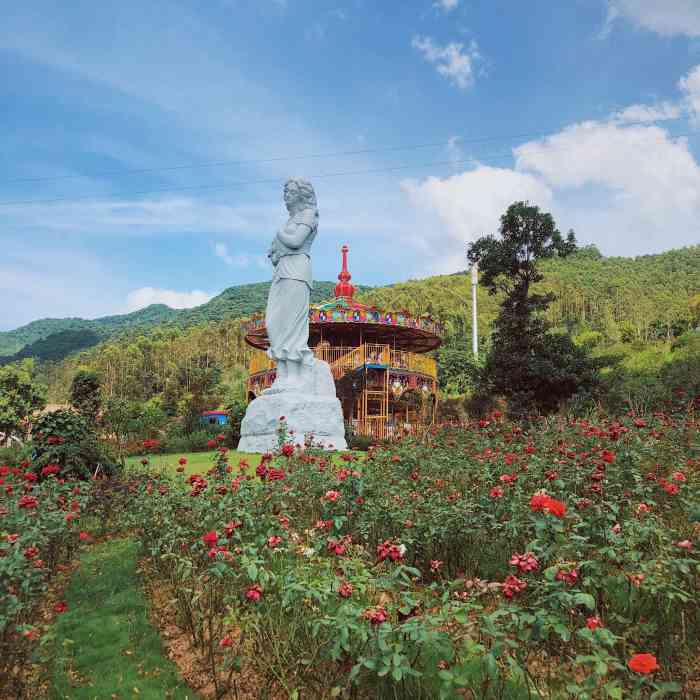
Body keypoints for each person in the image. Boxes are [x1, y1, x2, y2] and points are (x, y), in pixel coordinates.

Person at [265, 178, 318, 391]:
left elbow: (295, 241)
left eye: (289, 191)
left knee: (292, 325)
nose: (285, 196)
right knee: (274, 322)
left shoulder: (309, 214)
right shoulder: (292, 219)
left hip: (297, 271)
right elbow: (280, 251)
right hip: (282, 271)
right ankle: (282, 373)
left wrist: (279, 234)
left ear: (300, 194)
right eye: (284, 192)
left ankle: (294, 377)